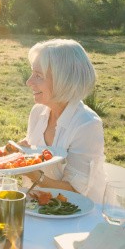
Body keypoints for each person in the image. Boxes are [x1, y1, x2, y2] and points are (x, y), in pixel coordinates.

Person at [20, 38, 106, 203]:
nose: (29, 82)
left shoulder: (87, 125)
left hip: (79, 217)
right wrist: (21, 153)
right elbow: (36, 156)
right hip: (40, 208)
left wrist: (33, 174)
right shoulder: (38, 112)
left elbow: (75, 192)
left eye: (38, 75)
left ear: (63, 80)